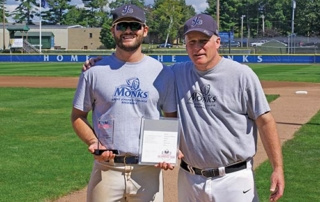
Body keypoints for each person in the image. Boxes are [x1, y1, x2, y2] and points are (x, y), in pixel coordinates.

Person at [83, 14, 285, 202]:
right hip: (190, 178)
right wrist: (98, 64)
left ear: (217, 42)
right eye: (192, 42)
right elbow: (135, 69)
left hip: (233, 178)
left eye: (203, 41)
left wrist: (277, 168)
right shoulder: (175, 73)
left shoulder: (242, 75)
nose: (198, 48)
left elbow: (265, 121)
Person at [71, 4, 177, 202]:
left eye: (134, 25)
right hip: (107, 168)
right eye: (122, 26)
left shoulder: (164, 72)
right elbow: (78, 116)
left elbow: (172, 118)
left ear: (144, 30)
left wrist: (168, 150)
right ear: (113, 30)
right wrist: (94, 142)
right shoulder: (94, 71)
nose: (128, 30)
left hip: (148, 171)